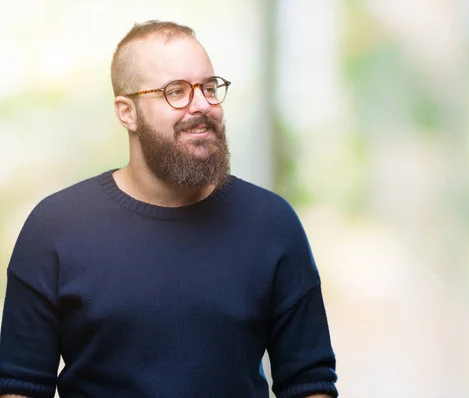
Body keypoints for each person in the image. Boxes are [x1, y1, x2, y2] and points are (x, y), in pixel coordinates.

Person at [0, 21, 337, 398]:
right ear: (127, 112)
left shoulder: (272, 223)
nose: (202, 105)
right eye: (175, 91)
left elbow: (309, 383)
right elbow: (22, 386)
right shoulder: (54, 228)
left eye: (209, 88)